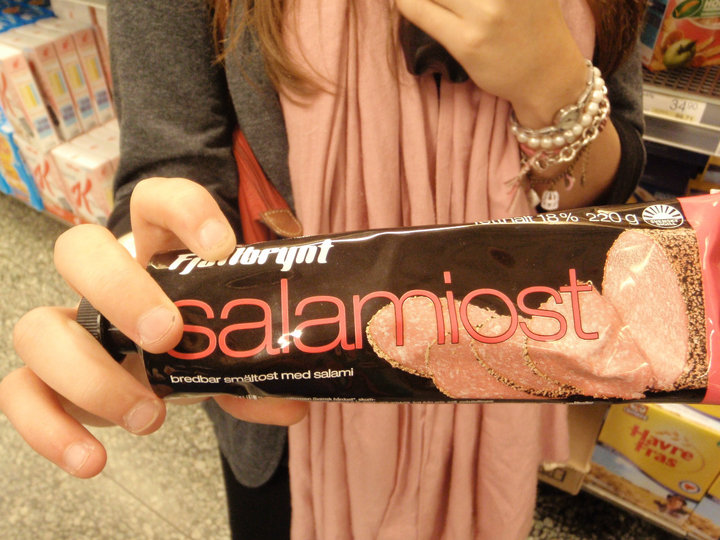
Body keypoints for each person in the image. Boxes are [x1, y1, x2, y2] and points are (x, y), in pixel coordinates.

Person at [1, 0, 647, 538]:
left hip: (497, 383)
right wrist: (139, 319)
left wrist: (551, 83)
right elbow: (173, 167)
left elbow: (615, 191)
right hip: (289, 406)